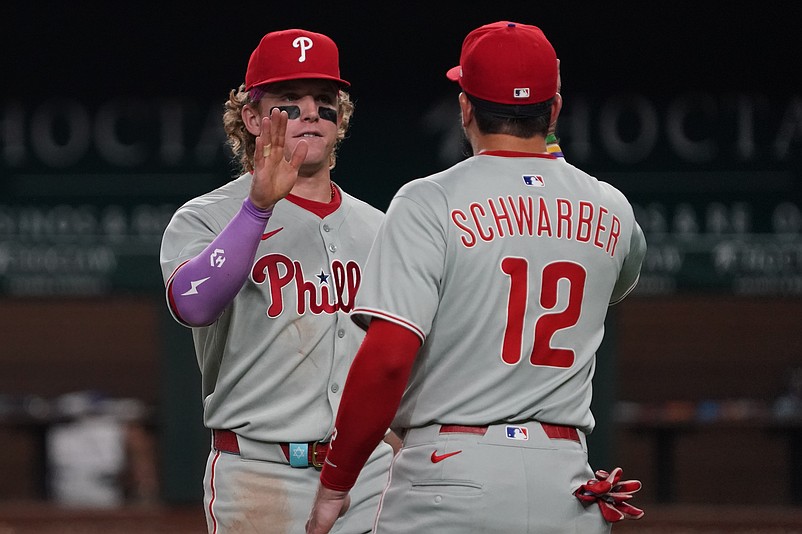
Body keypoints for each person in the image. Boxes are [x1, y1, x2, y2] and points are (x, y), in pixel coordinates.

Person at [306, 21, 647, 534]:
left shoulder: (429, 200)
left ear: (464, 107)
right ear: (554, 110)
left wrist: (336, 484)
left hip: (451, 474)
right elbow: (615, 286)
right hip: (565, 482)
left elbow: (387, 361)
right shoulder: (610, 206)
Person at [159, 28, 393, 534]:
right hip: (258, 473)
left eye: (324, 100)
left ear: (341, 115)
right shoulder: (207, 217)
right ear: (251, 116)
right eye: (289, 100)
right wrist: (258, 209)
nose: (310, 111)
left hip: (367, 474)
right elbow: (193, 305)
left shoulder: (379, 227)